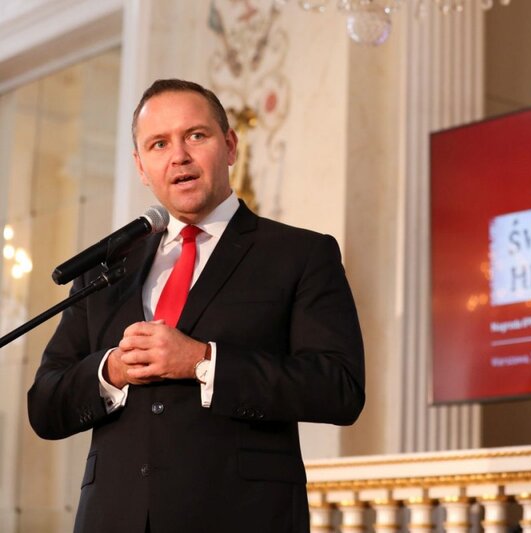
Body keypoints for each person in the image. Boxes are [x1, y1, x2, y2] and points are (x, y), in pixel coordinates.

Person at [27, 79, 365, 533]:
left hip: (242, 516)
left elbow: (339, 388)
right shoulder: (108, 268)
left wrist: (204, 362)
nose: (178, 156)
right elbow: (45, 405)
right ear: (141, 167)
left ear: (229, 146)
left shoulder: (299, 255)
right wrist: (111, 372)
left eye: (196, 136)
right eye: (158, 143)